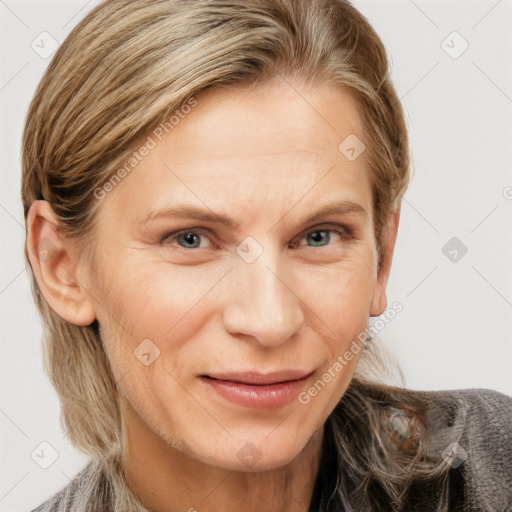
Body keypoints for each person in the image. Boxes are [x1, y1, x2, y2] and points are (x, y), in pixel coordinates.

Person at [22, 0, 511, 511]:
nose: (270, 320)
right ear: (63, 268)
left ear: (382, 256)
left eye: (319, 236)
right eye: (191, 238)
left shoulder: (493, 473)